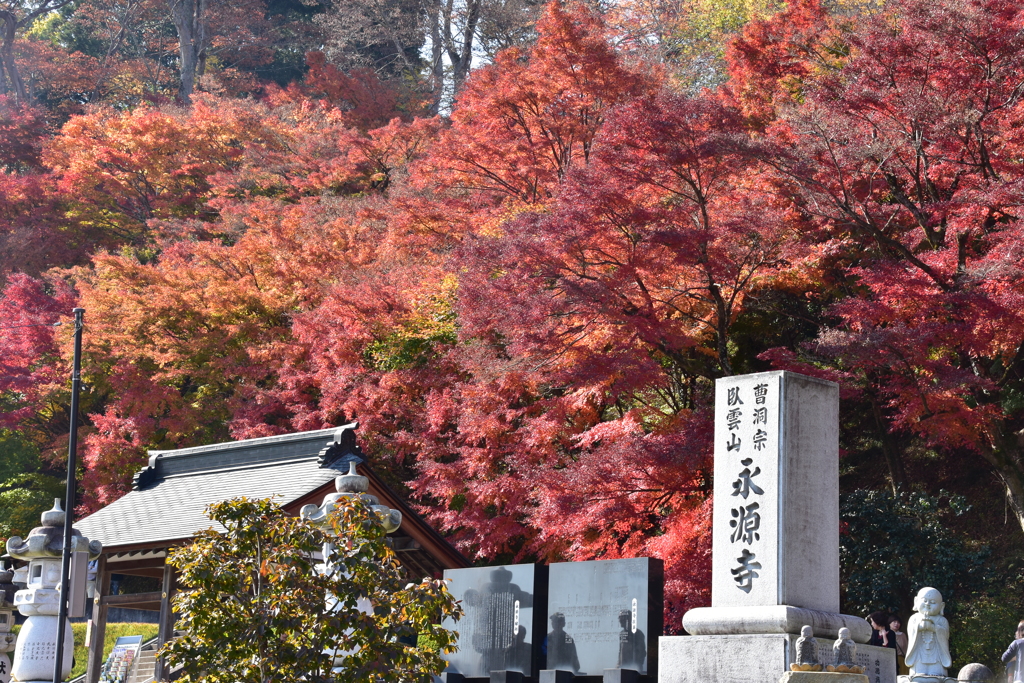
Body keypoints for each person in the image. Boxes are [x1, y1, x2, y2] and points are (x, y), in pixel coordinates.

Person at [905, 587, 951, 677]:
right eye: (924, 601)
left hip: (937, 655)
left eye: (933, 602)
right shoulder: (914, 618)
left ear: (942, 606)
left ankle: (936, 671)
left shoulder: (942, 620)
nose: (928, 604)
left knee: (937, 676)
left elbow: (945, 635)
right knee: (918, 676)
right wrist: (919, 627)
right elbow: (911, 632)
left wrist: (934, 628)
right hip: (919, 654)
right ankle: (919, 671)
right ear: (916, 601)